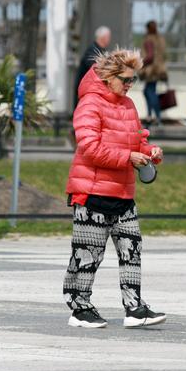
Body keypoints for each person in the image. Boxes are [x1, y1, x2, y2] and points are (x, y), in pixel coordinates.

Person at [64, 48, 166, 329]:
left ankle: (134, 307)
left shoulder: (128, 105)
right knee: (87, 254)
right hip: (92, 194)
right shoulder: (89, 104)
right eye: (126, 79)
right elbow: (89, 147)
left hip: (123, 193)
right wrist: (127, 157)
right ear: (109, 77)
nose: (130, 85)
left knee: (131, 250)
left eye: (134, 80)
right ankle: (79, 307)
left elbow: (133, 142)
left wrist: (149, 151)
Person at [72, 26, 111, 108]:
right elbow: (96, 68)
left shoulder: (99, 50)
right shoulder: (92, 51)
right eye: (108, 36)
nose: (109, 39)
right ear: (103, 37)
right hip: (86, 92)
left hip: (92, 91)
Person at [139, 20, 168, 126]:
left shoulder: (148, 39)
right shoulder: (160, 39)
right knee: (148, 91)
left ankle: (157, 117)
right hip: (158, 69)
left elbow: (150, 56)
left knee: (150, 92)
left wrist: (140, 63)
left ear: (147, 29)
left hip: (150, 70)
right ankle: (151, 116)